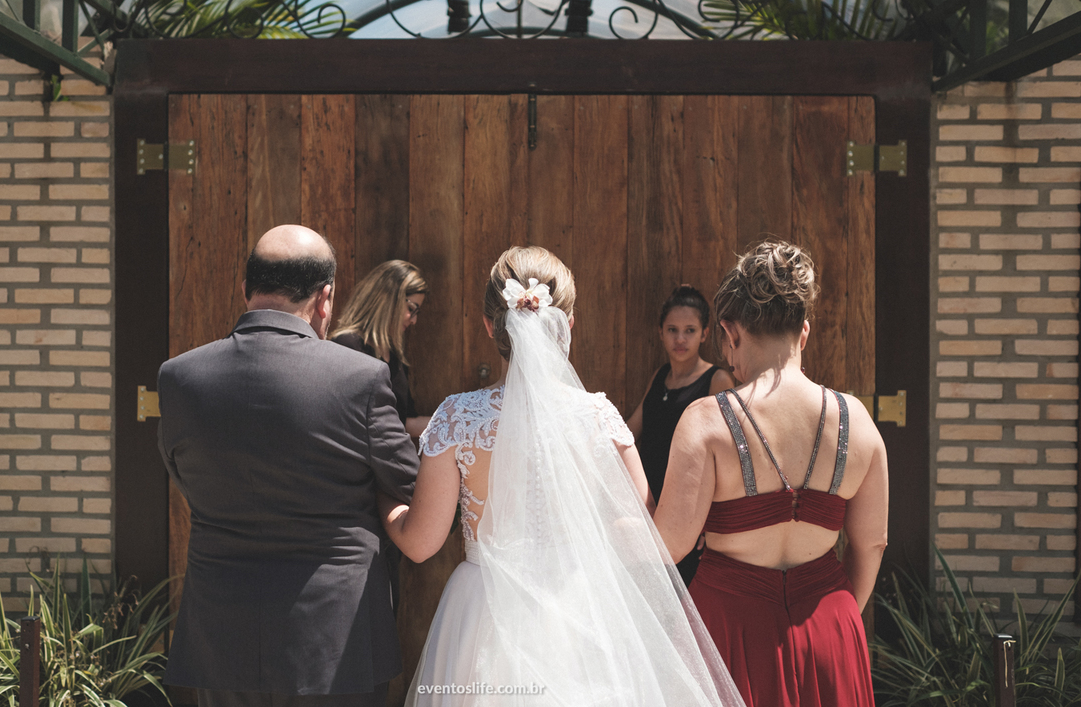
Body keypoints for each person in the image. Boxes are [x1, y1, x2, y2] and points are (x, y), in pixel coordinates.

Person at [379, 246, 745, 707]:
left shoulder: (457, 418)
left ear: (491, 325)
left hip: (483, 606)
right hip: (579, 606)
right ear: (567, 324)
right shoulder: (598, 417)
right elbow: (644, 533)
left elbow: (420, 543)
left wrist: (385, 501)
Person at [157, 225, 420, 707]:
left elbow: (183, 475)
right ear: (325, 298)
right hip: (335, 637)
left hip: (222, 633)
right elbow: (409, 485)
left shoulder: (178, 378)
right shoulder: (361, 378)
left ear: (245, 290)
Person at [653, 241, 889, 707]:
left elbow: (670, 545)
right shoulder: (857, 420)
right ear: (804, 332)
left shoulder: (706, 420)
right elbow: (872, 543)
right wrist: (836, 619)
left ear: (729, 331)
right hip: (830, 630)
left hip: (727, 631)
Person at [626, 286, 735, 583]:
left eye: (690, 330)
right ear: (660, 332)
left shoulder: (717, 380)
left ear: (704, 334)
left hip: (689, 513)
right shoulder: (660, 376)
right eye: (672, 330)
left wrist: (712, 518)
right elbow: (631, 431)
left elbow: (732, 457)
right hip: (647, 506)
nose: (680, 339)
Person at [331, 259, 430, 438]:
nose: (414, 320)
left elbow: (405, 422)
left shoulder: (394, 356)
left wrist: (459, 422)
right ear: (389, 298)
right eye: (411, 308)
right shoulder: (347, 346)